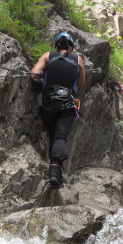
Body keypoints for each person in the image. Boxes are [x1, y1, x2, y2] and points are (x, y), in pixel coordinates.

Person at [30, 32, 85, 189]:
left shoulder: (48, 56)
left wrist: (45, 74)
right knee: (60, 138)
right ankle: (55, 169)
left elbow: (33, 74)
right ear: (71, 46)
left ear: (56, 44)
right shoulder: (78, 59)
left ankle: (56, 173)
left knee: (53, 137)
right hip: (67, 102)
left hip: (48, 102)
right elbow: (81, 83)